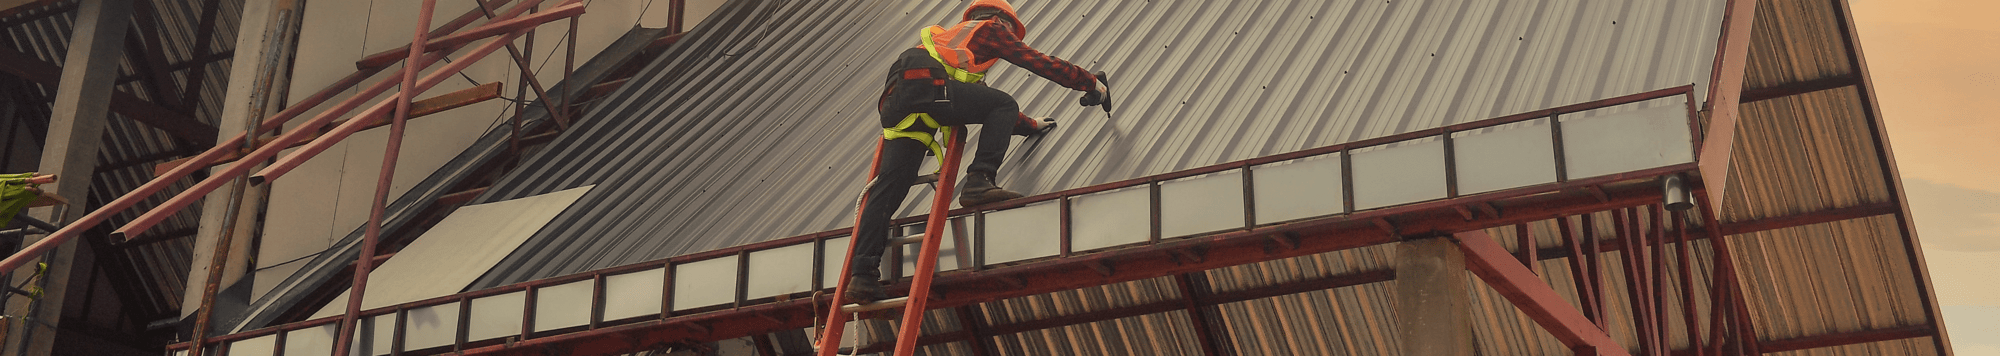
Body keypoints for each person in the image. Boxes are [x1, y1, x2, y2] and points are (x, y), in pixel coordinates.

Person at [845, 0, 1110, 303]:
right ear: (1002, 20)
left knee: (888, 190)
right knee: (1004, 102)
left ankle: (862, 276)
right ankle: (979, 181)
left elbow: (981, 102)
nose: (1012, 37)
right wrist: (1089, 83)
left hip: (900, 99)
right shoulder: (990, 29)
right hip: (928, 88)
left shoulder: (954, 44)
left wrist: (1030, 124)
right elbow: (1035, 61)